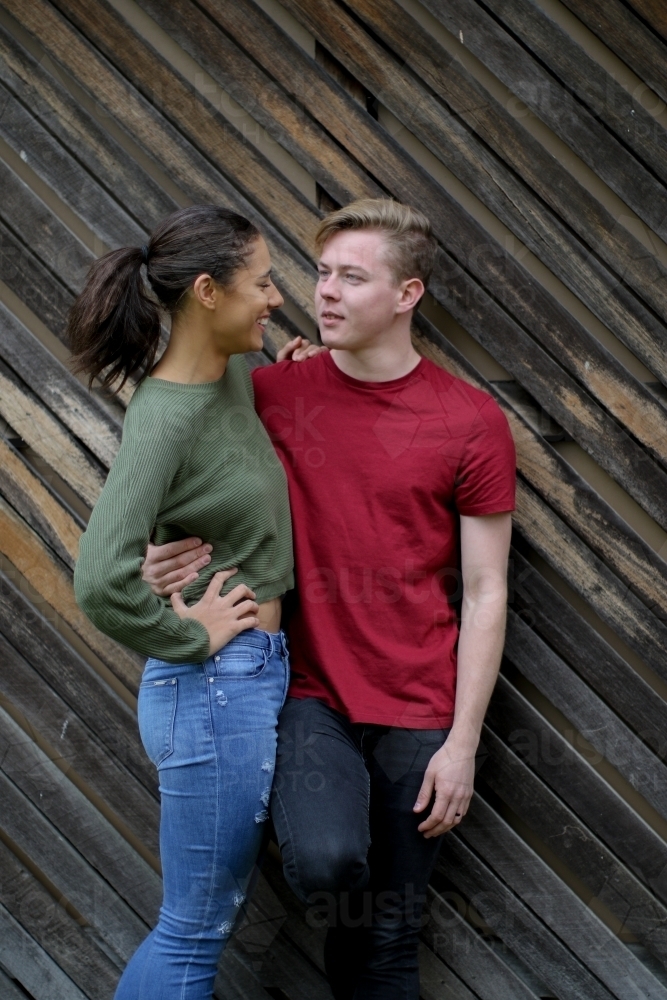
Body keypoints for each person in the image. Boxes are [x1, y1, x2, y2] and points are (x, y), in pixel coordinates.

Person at [142, 199, 516, 999]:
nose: (327, 293)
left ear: (408, 294)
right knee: (326, 861)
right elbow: (196, 493)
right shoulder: (271, 397)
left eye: (353, 276)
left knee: (389, 942)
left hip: (420, 707)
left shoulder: (470, 421)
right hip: (306, 693)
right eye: (321, 273)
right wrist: (160, 560)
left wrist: (463, 743)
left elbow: (486, 590)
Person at [70, 205, 297, 1000]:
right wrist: (187, 634)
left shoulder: (233, 372)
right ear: (207, 291)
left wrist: (291, 365)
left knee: (205, 924)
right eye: (262, 283)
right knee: (194, 932)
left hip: (244, 678)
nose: (276, 296)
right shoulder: (162, 418)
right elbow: (99, 578)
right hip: (210, 686)